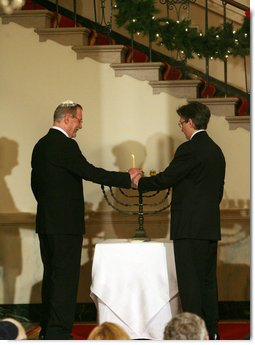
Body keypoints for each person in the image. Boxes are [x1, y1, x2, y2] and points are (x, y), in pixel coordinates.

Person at [31, 100, 141, 340]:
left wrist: (52, 208)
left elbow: (35, 185)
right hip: (66, 225)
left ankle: (48, 330)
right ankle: (59, 334)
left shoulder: (40, 145)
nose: (81, 125)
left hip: (47, 223)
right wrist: (127, 178)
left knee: (52, 277)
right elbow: (90, 172)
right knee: (65, 279)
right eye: (79, 119)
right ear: (67, 118)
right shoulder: (65, 145)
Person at [130, 101, 226, 340]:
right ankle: (211, 331)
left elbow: (166, 179)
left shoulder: (189, 149)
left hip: (188, 228)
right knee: (207, 282)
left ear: (191, 122)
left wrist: (139, 183)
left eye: (182, 123)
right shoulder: (216, 150)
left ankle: (192, 335)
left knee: (190, 285)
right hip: (209, 226)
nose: (180, 127)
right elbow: (218, 190)